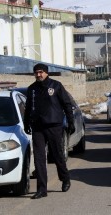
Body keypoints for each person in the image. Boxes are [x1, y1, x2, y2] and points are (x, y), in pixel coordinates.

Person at [24, 63, 74, 199]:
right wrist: (26, 123)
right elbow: (28, 108)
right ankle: (41, 189)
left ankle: (65, 178)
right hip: (38, 127)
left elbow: (67, 104)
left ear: (46, 72)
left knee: (57, 154)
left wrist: (71, 121)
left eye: (40, 72)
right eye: (36, 72)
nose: (38, 75)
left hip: (54, 126)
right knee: (39, 158)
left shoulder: (56, 86)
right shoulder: (32, 89)